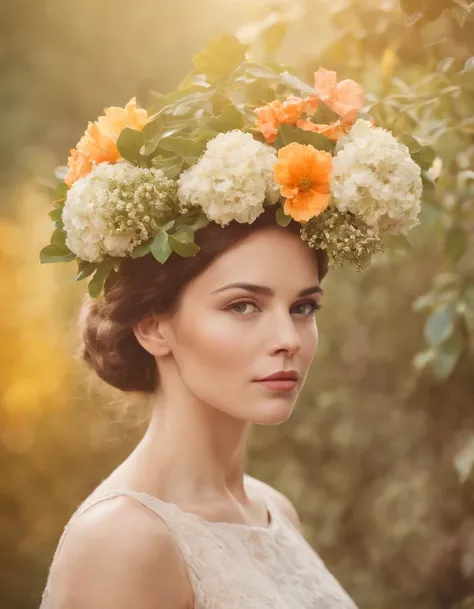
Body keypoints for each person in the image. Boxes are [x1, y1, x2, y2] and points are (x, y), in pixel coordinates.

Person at [38, 39, 425, 609]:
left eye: (303, 307)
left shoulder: (274, 513)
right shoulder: (123, 542)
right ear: (152, 327)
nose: (288, 340)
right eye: (243, 305)